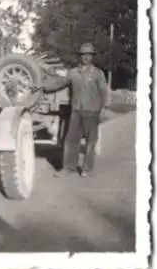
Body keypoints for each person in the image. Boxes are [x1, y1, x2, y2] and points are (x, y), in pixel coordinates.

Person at [33, 43, 109, 178]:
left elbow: (104, 92)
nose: (86, 57)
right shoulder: (73, 72)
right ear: (80, 56)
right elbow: (58, 83)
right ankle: (68, 168)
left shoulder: (98, 74)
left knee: (91, 141)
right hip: (76, 112)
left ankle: (87, 168)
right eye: (83, 55)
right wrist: (41, 86)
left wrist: (102, 109)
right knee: (70, 140)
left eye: (88, 55)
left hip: (92, 112)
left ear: (92, 57)